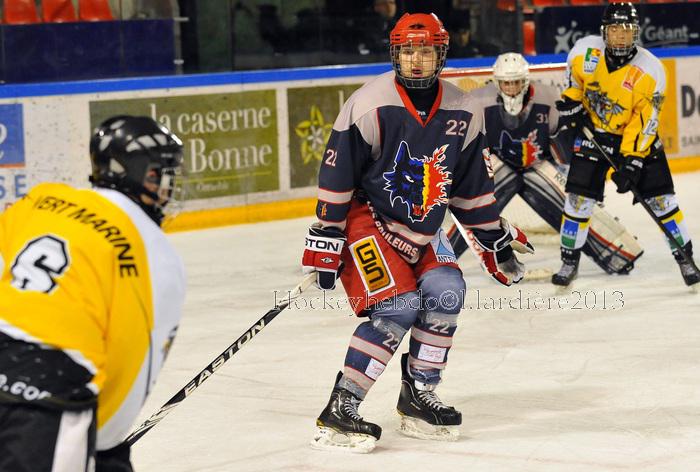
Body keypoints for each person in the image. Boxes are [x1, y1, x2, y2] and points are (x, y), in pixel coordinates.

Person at [302, 13, 534, 453]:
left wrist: (493, 237)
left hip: (425, 223)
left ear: (440, 55)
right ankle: (342, 404)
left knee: (446, 291)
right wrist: (327, 236)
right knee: (398, 307)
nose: (415, 60)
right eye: (407, 51)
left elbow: (470, 187)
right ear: (395, 54)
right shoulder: (368, 103)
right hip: (368, 220)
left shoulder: (465, 109)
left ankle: (419, 393)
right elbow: (337, 174)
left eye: (425, 51)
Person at [0, 116, 186, 471]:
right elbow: (133, 362)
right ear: (142, 174)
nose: (168, 186)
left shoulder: (41, 199)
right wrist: (103, 446)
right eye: (163, 174)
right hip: (47, 394)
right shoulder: (154, 249)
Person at [446, 52, 643, 276]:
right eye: (506, 83)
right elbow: (464, 144)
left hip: (536, 165)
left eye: (516, 82)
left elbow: (562, 143)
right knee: (470, 206)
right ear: (497, 82)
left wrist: (577, 179)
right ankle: (439, 258)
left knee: (573, 206)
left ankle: (618, 254)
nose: (511, 88)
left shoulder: (548, 97)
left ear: (525, 81)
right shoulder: (479, 100)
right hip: (497, 164)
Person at [552, 2, 699, 287]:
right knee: (578, 200)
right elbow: (574, 85)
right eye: (615, 29)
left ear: (636, 33)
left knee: (662, 202)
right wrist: (572, 103)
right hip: (594, 133)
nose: (621, 35)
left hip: (636, 141)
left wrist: (632, 161)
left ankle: (685, 258)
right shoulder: (584, 52)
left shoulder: (651, 70)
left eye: (627, 30)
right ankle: (569, 261)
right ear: (604, 32)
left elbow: (645, 122)